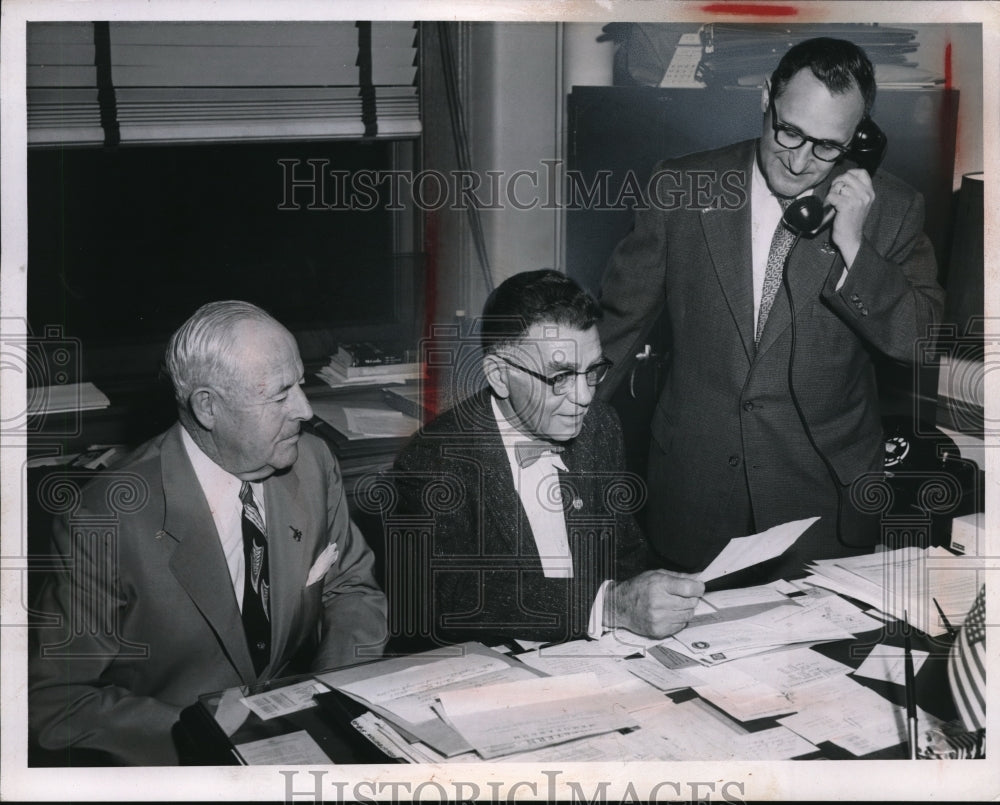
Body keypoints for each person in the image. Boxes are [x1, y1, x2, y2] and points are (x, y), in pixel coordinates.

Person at [597, 37, 944, 582]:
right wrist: (530, 430)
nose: (801, 161)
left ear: (859, 137)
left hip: (823, 507)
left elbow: (918, 343)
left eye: (827, 147)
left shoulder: (893, 209)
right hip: (694, 498)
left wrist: (855, 246)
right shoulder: (681, 187)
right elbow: (616, 331)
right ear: (766, 98)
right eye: (789, 132)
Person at [29, 301, 387, 765]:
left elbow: (352, 590)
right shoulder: (105, 520)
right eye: (280, 395)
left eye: (300, 383)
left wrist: (328, 698)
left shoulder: (314, 463)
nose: (304, 409)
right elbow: (55, 701)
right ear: (208, 407)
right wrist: (205, 738)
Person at [389, 270, 704, 649]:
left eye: (592, 371)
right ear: (499, 376)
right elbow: (453, 596)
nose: (584, 397)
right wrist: (608, 606)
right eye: (560, 377)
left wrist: (660, 592)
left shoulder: (600, 426)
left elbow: (624, 550)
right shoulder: (432, 461)